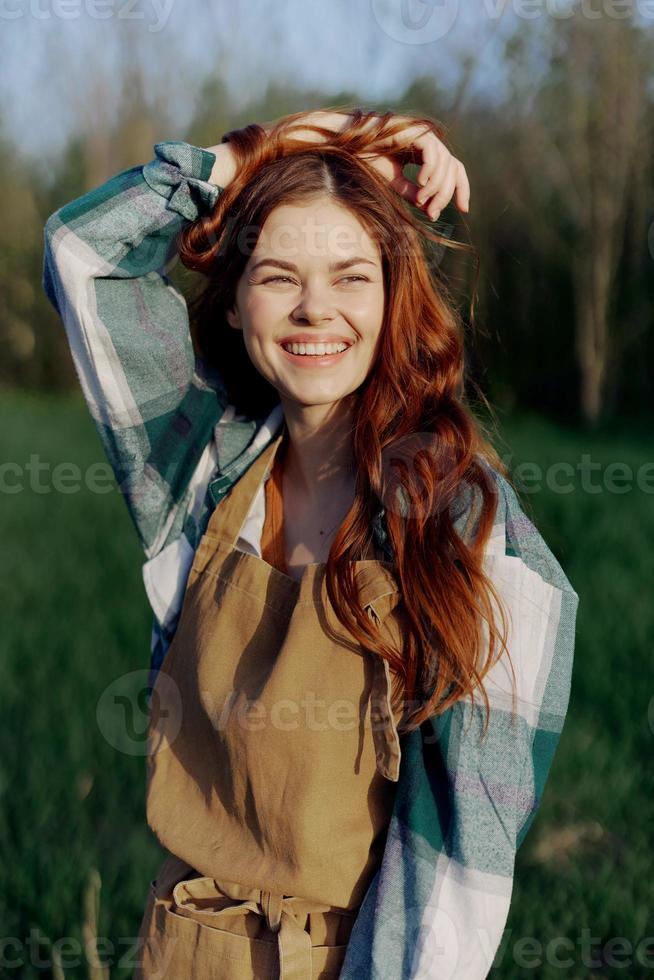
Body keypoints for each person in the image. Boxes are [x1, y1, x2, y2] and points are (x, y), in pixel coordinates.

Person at [42, 107, 579, 979]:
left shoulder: (464, 529)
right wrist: (278, 144)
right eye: (279, 275)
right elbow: (84, 254)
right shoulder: (200, 467)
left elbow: (455, 878)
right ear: (238, 296)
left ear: (394, 293)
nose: (315, 310)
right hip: (179, 951)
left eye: (350, 276)